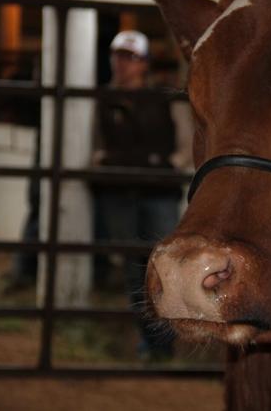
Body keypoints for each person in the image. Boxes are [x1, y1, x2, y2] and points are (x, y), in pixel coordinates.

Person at [92, 30, 192, 361]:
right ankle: (153, 341)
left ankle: (162, 340)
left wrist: (172, 164)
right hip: (123, 192)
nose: (123, 63)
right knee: (135, 268)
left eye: (131, 57)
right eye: (119, 56)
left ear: (143, 64)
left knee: (158, 265)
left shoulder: (164, 98)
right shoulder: (102, 100)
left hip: (156, 190)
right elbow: (93, 143)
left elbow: (186, 142)